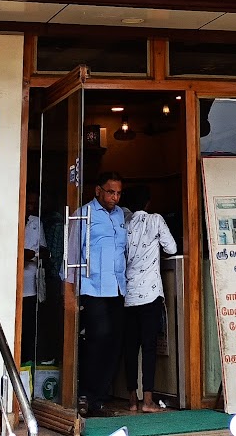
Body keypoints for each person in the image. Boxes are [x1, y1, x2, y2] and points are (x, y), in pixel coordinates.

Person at [72, 170, 128, 417]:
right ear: (98, 190)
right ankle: (84, 395)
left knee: (114, 343)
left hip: (117, 288)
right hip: (92, 287)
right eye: (110, 192)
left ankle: (99, 399)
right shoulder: (83, 214)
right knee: (97, 339)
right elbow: (72, 254)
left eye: (118, 193)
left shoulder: (121, 215)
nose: (114, 197)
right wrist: (68, 291)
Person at [121, 185, 177, 412]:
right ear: (147, 203)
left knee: (130, 348)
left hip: (128, 295)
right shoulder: (155, 220)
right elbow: (171, 248)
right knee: (149, 348)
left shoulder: (123, 224)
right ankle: (148, 401)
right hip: (150, 294)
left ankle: (132, 400)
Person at [21, 180, 45, 364]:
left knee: (30, 326)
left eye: (34, 204)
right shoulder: (14, 219)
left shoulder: (37, 222)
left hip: (31, 283)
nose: (30, 206)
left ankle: (27, 363)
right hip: (14, 283)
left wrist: (34, 254)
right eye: (28, 202)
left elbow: (44, 250)